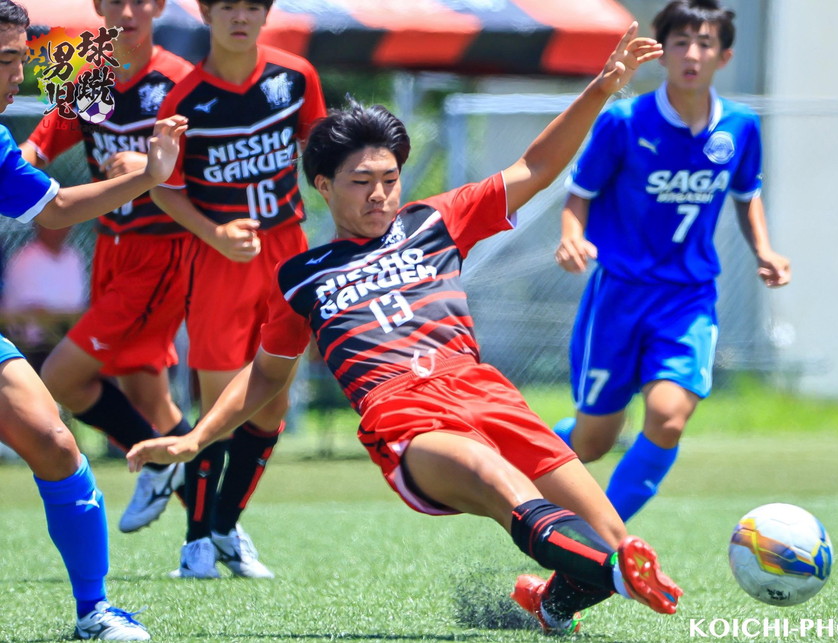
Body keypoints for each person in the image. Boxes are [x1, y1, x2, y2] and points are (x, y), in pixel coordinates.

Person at [129, 23, 682, 635]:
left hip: (483, 390)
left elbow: (537, 165)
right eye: (361, 182)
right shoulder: (301, 276)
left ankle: (554, 602)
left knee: (609, 534)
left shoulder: (436, 221)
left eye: (389, 180)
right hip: (405, 412)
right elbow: (264, 377)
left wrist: (603, 86)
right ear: (323, 185)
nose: (380, 195)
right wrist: (197, 438)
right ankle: (620, 575)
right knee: (497, 479)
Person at [551, 0, 791, 524]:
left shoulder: (741, 127)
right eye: (681, 42)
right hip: (618, 296)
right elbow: (579, 195)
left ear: (724, 57)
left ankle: (601, 538)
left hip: (687, 298)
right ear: (662, 53)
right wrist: (571, 237)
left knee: (667, 417)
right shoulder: (623, 122)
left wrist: (765, 250)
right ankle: (522, 457)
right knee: (592, 442)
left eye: (705, 44)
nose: (692, 54)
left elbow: (747, 195)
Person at [0, 0, 187, 637]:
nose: (18, 76)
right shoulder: (90, 77)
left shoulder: (180, 80)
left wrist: (152, 174)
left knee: (57, 437)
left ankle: (96, 609)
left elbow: (53, 207)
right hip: (123, 262)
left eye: (20, 60)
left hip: (159, 258)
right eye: (6, 61)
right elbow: (48, 140)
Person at [149, 0, 327, 579]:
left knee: (273, 403)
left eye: (252, 6)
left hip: (288, 252)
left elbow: (326, 155)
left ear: (267, 13)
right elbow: (163, 187)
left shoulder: (296, 76)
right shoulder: (183, 99)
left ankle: (225, 527)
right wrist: (215, 233)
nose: (240, 17)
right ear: (206, 12)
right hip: (220, 260)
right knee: (219, 406)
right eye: (227, 6)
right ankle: (195, 543)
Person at [2, 222, 87, 370]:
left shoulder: (74, 258)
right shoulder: (25, 259)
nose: (60, 228)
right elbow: (32, 311)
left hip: (70, 340)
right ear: (39, 226)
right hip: (36, 348)